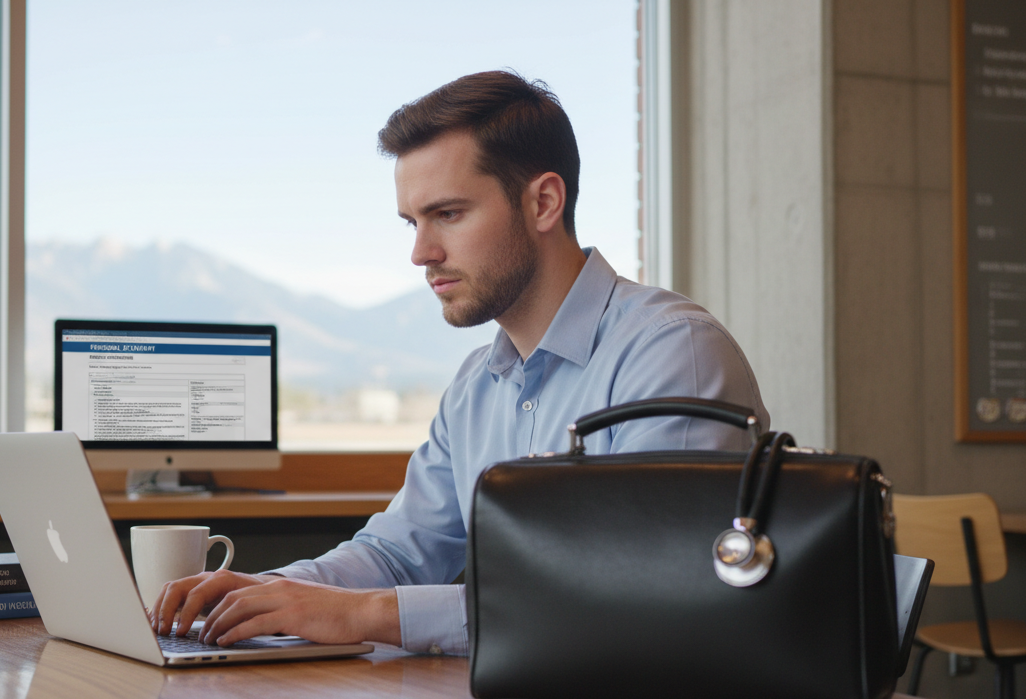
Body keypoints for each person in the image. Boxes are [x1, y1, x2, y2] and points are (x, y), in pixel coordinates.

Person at [153, 70, 769, 655]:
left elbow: (646, 592)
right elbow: (396, 554)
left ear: (544, 202)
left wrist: (362, 615)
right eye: (412, 222)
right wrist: (261, 591)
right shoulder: (477, 384)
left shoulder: (671, 353)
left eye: (448, 214)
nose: (422, 252)